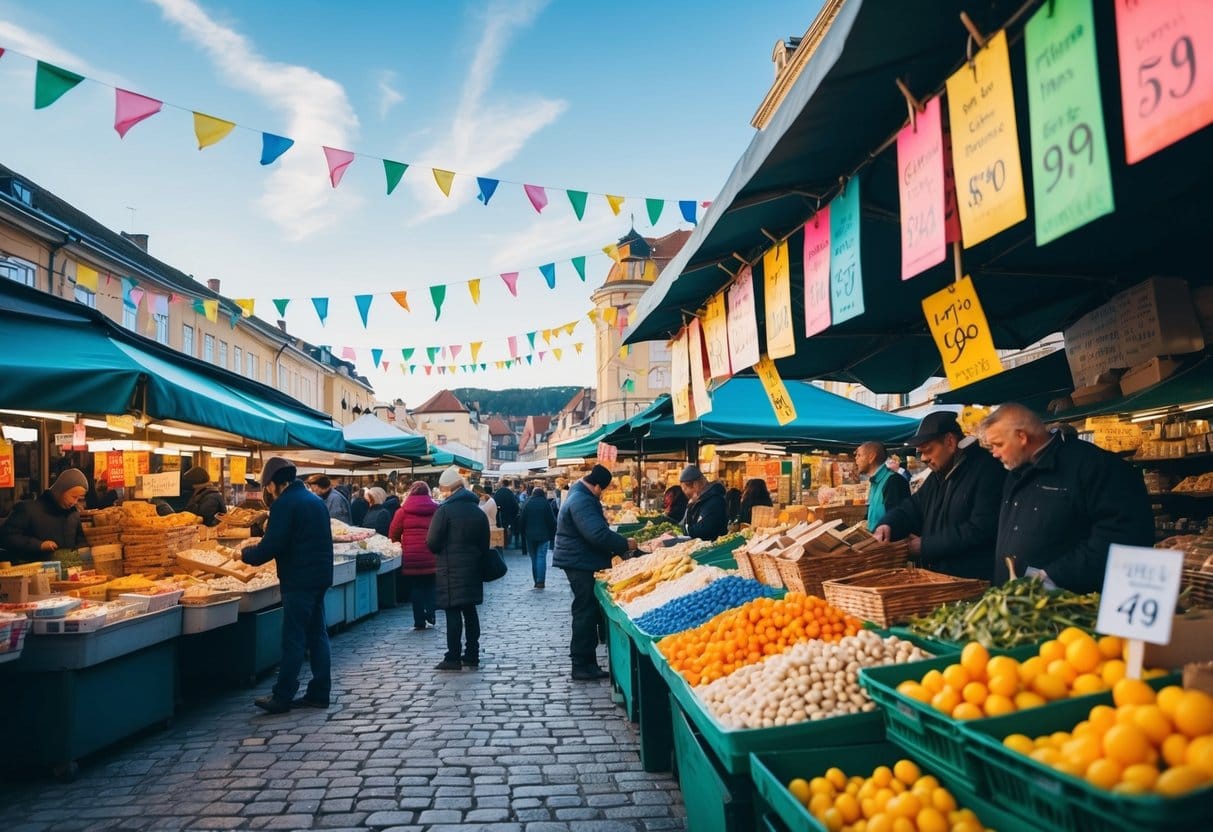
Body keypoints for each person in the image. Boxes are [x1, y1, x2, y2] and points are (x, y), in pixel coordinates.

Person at [980, 403, 1154, 593]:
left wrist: (1053, 576)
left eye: (998, 444)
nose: (995, 453)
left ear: (1021, 437)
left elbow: (1122, 536)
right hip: (1016, 602)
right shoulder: (1015, 471)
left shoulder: (1094, 466)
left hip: (1066, 604)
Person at [240, 457, 332, 713]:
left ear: (273, 484)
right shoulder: (315, 501)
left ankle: (282, 695)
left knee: (293, 637)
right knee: (317, 634)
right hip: (320, 576)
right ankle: (320, 691)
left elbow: (271, 545)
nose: (268, 490)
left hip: (298, 579)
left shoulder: (285, 504)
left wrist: (245, 554)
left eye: (267, 485)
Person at [874, 411, 1005, 581]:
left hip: (971, 581)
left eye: (928, 450)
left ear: (950, 442)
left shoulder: (986, 469)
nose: (924, 458)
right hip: (940, 579)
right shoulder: (938, 475)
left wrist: (925, 546)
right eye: (920, 452)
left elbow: (980, 528)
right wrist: (888, 525)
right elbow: (911, 507)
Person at [552, 465, 637, 681]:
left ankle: (587, 663)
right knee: (584, 611)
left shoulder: (578, 494)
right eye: (603, 490)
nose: (602, 494)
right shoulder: (582, 500)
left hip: (579, 559)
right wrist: (625, 544)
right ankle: (581, 663)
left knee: (587, 610)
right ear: (598, 486)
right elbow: (597, 534)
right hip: (580, 561)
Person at [427, 467, 491, 671]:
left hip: (450, 570)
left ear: (447, 489)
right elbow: (485, 544)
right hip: (473, 570)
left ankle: (453, 656)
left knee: (453, 613)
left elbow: (432, 542)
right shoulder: (477, 510)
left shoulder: (444, 510)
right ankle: (472, 654)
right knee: (470, 612)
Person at [0, 468, 89, 563]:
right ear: (60, 491)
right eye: (73, 497)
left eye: (79, 499)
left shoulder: (73, 514)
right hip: (32, 571)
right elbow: (6, 537)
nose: (74, 502)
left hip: (68, 572)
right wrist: (39, 545)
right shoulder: (28, 509)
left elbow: (80, 540)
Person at [388, 481, 438, 630]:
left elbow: (393, 534)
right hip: (432, 554)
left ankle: (419, 621)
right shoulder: (436, 509)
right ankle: (430, 612)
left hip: (411, 557)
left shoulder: (402, 511)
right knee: (430, 585)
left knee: (416, 588)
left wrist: (401, 545)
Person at [855, 441, 912, 531]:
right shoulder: (874, 481)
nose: (856, 459)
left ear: (871, 457)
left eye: (859, 455)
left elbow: (896, 521)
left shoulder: (893, 481)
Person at [519, 485, 557, 589]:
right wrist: (552, 534)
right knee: (541, 557)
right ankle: (540, 581)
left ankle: (536, 580)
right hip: (544, 536)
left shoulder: (527, 502)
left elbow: (522, 519)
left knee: (534, 558)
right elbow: (552, 521)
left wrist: (523, 533)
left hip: (529, 535)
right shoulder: (545, 504)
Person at [680, 465, 728, 541]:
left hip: (714, 549)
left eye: (685, 489)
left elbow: (702, 531)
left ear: (695, 485)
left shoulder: (715, 501)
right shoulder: (701, 500)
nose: (685, 493)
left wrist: (685, 529)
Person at [493, 478, 519, 550]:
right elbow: (515, 506)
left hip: (499, 516)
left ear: (502, 484)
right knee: (507, 529)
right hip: (508, 517)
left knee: (500, 529)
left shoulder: (498, 493)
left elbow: (494, 504)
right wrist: (513, 515)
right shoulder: (510, 493)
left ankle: (499, 545)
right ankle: (506, 544)